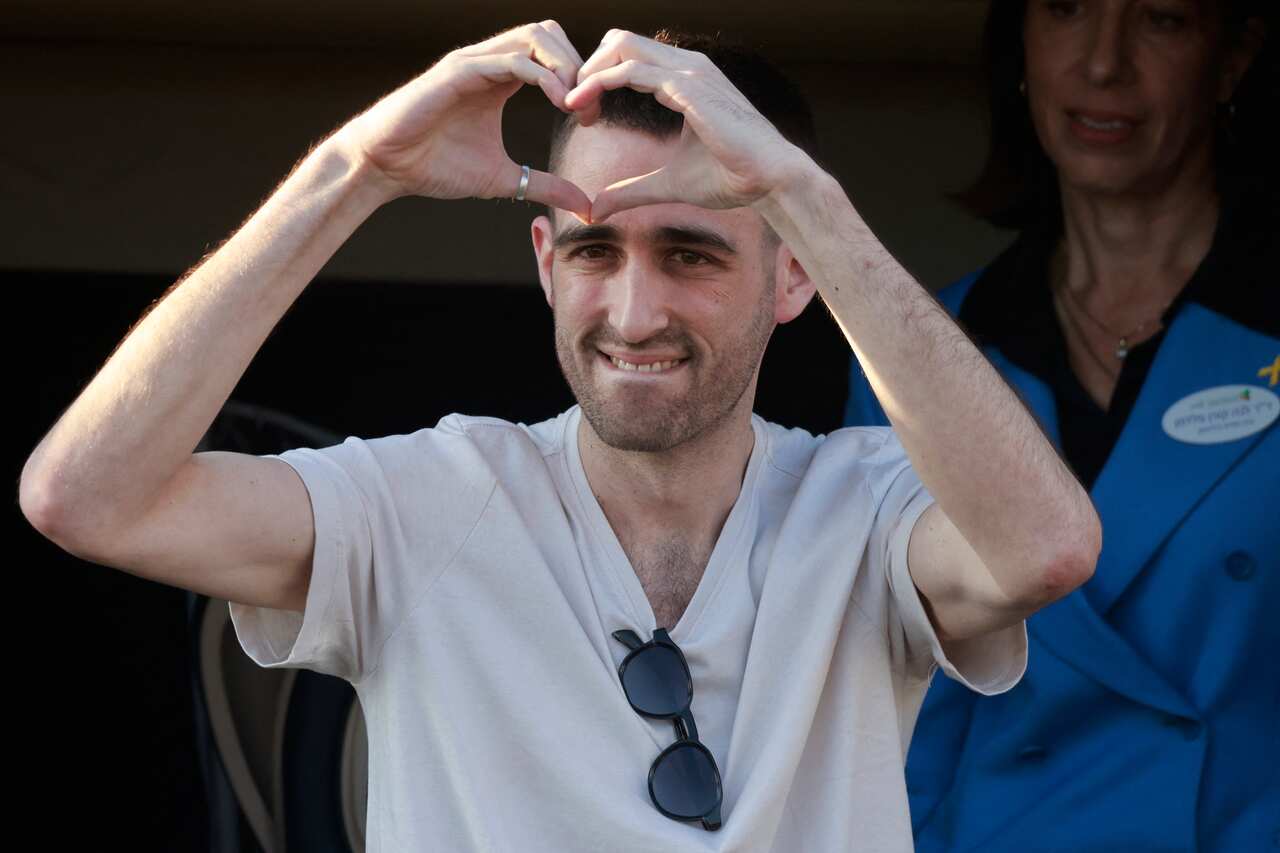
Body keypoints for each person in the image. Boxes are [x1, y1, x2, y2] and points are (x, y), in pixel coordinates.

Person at [20, 23, 1101, 851]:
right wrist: (355, 169)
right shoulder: (424, 498)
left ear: (793, 276)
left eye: (690, 254)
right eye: (594, 252)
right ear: (545, 262)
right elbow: (84, 497)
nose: (633, 313)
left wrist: (797, 192)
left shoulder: (863, 503)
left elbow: (1046, 549)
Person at [844, 1, 1278, 850]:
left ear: (1232, 59)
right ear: (1020, 43)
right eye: (1068, 9)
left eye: (1161, 18)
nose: (1103, 63)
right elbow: (895, 706)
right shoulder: (921, 352)